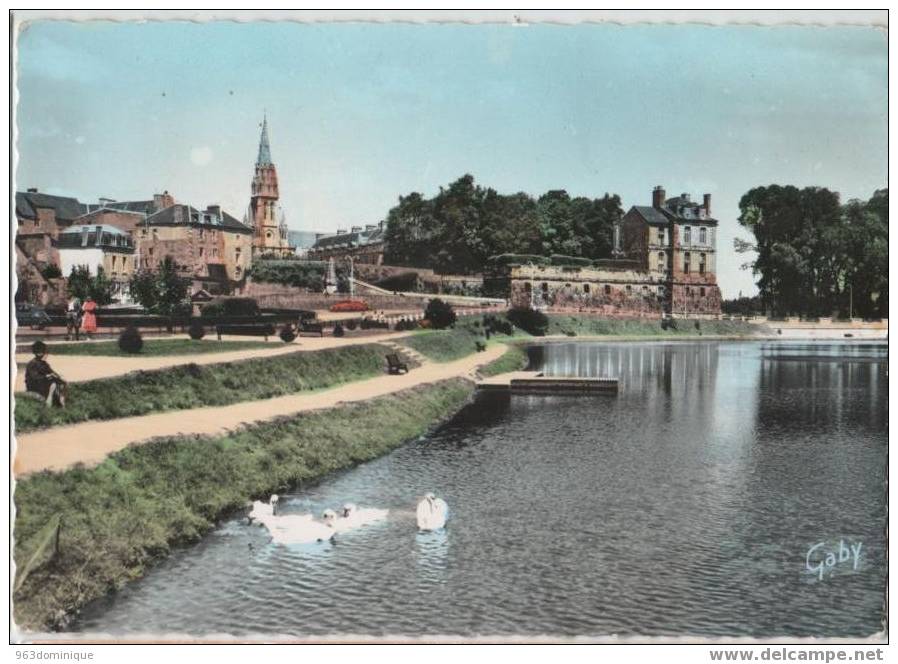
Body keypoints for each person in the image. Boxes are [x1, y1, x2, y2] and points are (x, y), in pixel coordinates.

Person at [25, 341, 67, 407]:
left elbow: (51, 372)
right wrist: (47, 376)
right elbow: (34, 377)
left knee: (61, 383)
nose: (46, 354)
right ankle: (49, 402)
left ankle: (61, 402)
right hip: (33, 384)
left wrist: (58, 376)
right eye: (44, 352)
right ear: (39, 353)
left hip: (42, 382)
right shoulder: (32, 364)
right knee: (53, 384)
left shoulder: (44, 363)